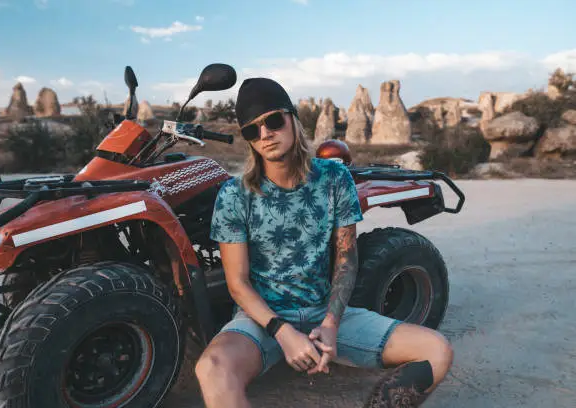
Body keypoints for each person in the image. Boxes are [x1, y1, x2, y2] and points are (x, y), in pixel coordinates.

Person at [195, 77, 454, 408]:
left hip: (325, 312)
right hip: (262, 319)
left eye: (273, 121)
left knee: (437, 351)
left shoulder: (334, 177)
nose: (265, 134)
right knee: (212, 369)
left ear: (293, 118)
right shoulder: (235, 195)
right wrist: (283, 332)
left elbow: (346, 259)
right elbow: (238, 283)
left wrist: (331, 323)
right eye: (252, 130)